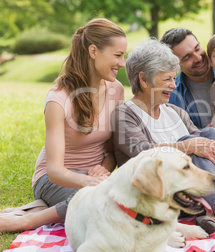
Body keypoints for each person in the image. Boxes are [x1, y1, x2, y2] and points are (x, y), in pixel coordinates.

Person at [112, 38, 215, 236]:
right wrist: (187, 147)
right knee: (192, 142)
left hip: (186, 195)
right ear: (143, 79)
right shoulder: (125, 114)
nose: (173, 85)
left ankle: (213, 214)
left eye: (173, 78)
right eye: (167, 79)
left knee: (211, 134)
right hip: (152, 196)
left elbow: (206, 146)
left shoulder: (175, 112)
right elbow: (141, 151)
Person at [0, 18, 127, 234]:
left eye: (123, 55)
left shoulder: (117, 90)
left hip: (94, 178)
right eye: (117, 55)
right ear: (93, 51)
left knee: (122, 203)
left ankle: (34, 211)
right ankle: (28, 221)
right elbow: (55, 170)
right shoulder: (58, 99)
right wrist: (89, 181)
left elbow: (111, 150)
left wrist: (103, 169)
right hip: (54, 180)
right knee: (103, 207)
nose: (122, 63)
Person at [160, 27, 215, 129]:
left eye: (197, 49)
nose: (198, 58)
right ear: (175, 66)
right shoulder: (173, 96)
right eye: (187, 57)